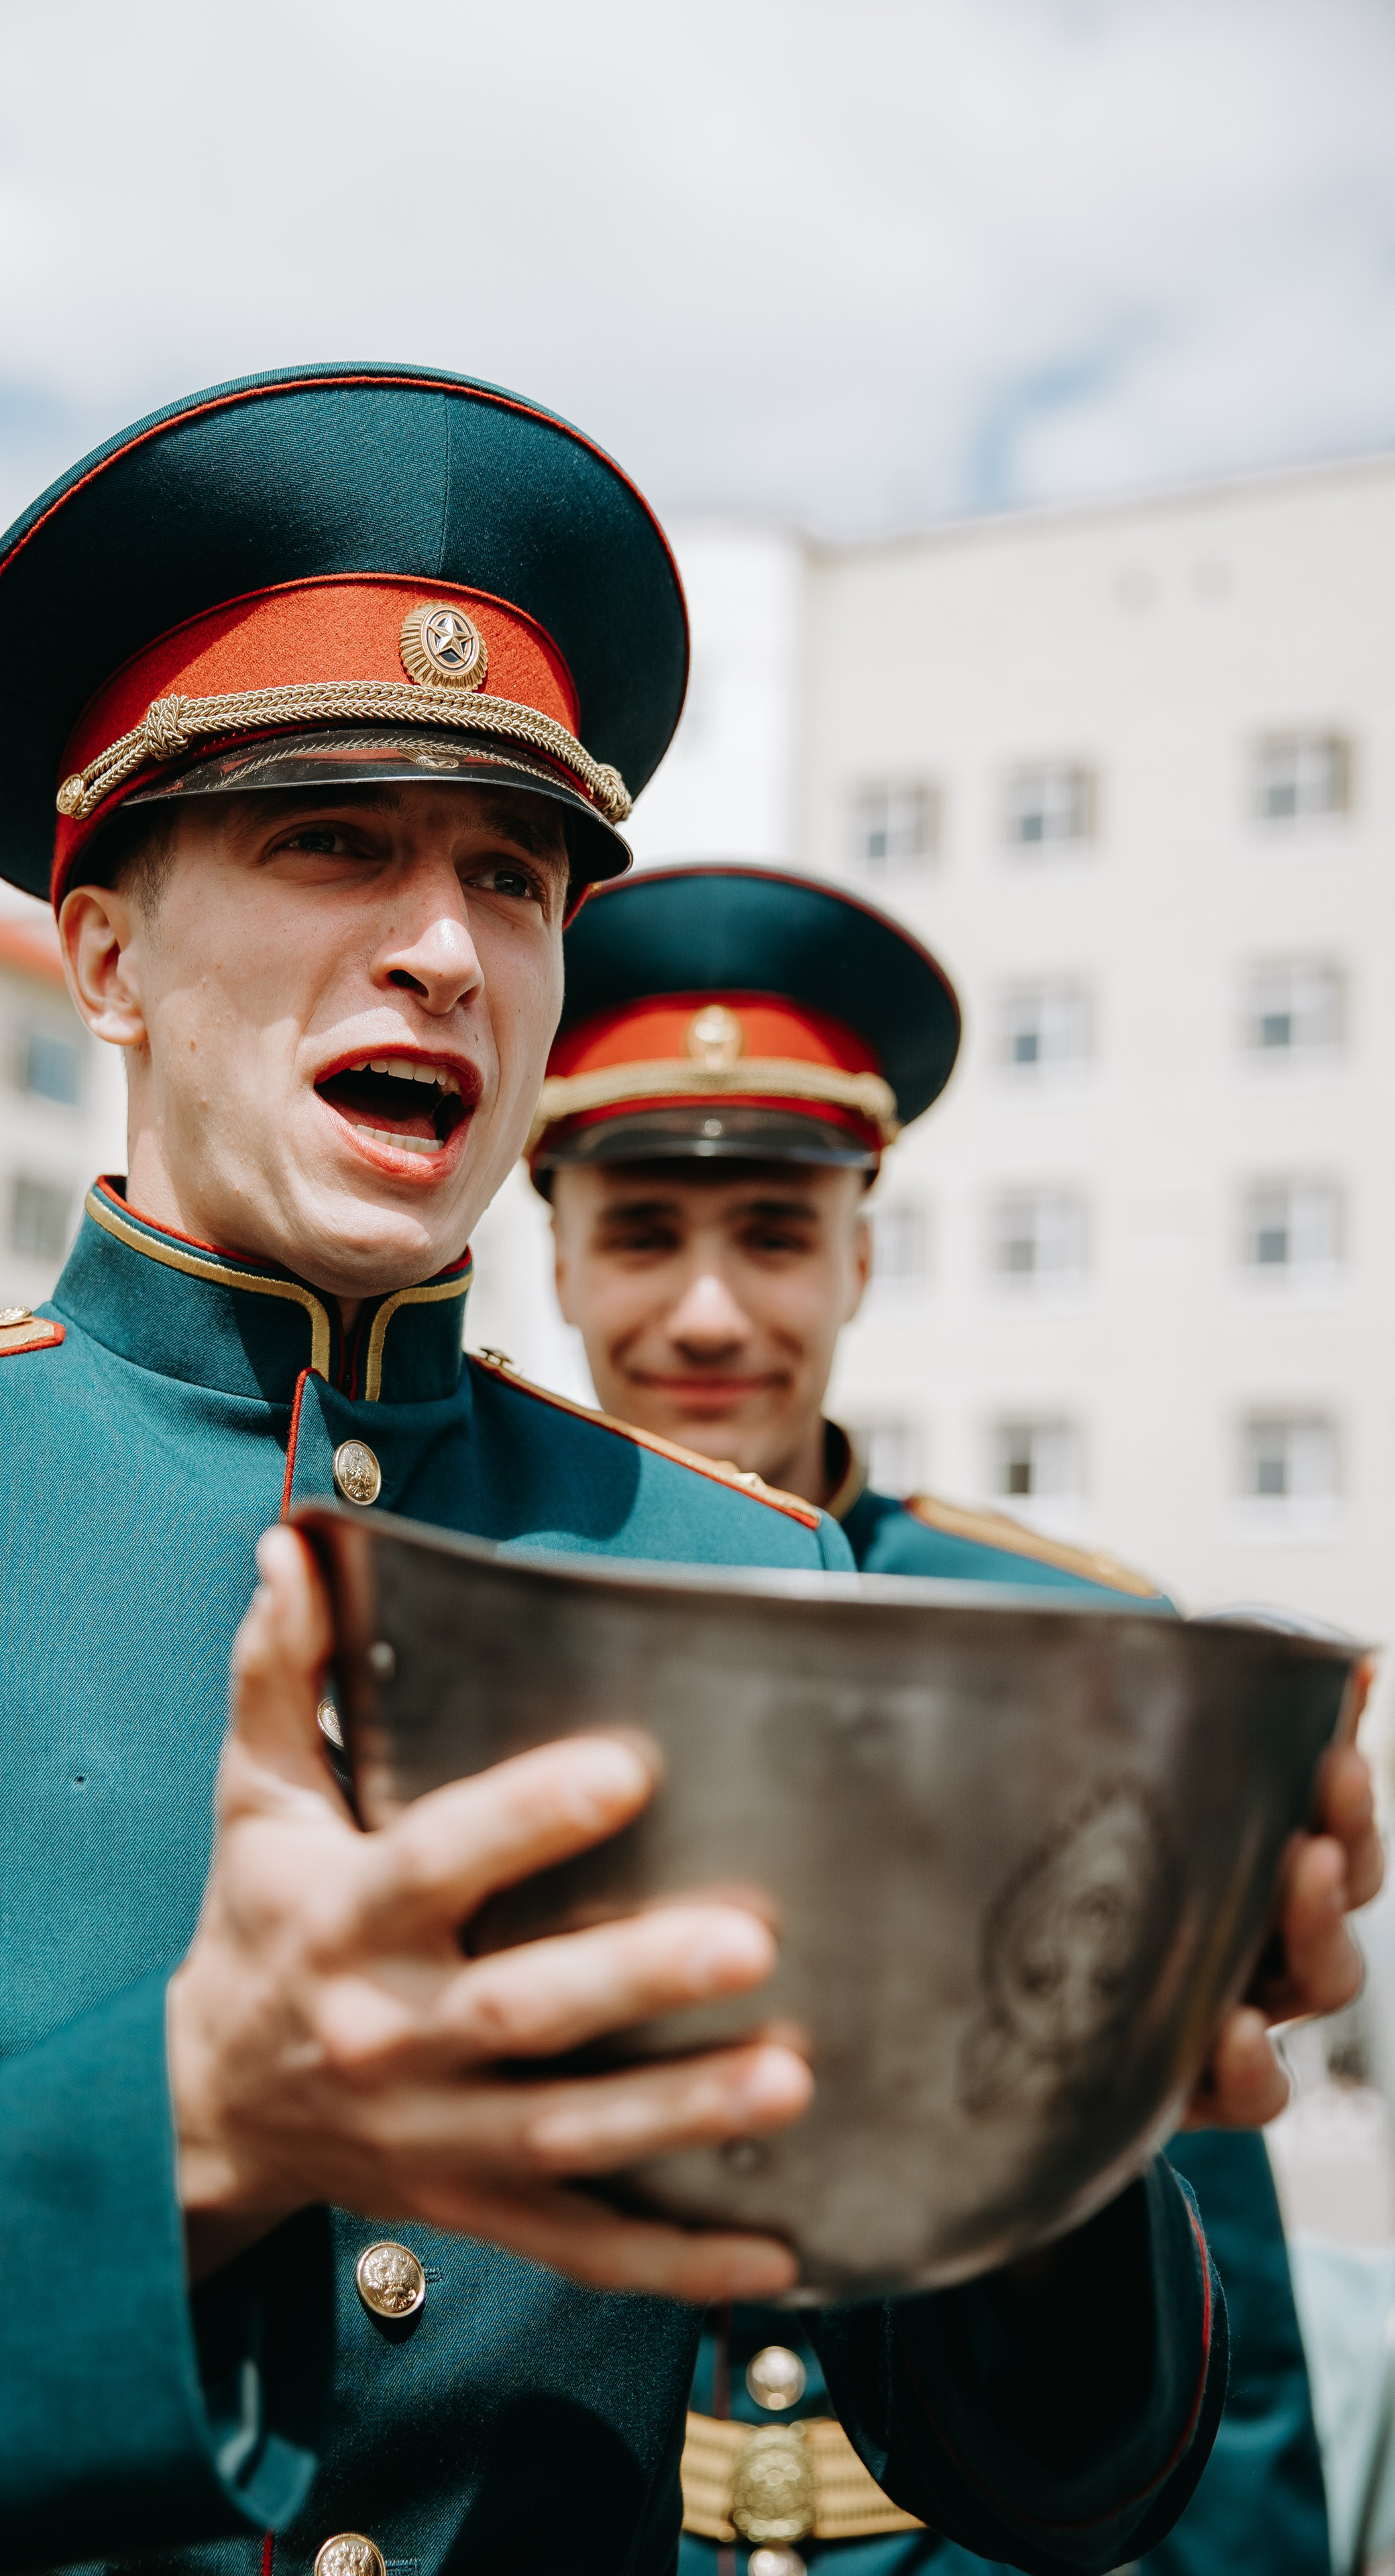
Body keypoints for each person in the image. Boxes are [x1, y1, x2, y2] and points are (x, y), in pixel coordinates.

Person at [0, 363, 1335, 2576]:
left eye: (516, 874)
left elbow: (1070, 2473)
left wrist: (1050, 2108)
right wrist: (187, 2124)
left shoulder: (749, 1580)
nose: (449, 947)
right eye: (333, 841)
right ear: (103, 952)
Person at [531, 860, 1381, 2576]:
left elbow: (1213, 2282)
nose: (708, 1311)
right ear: (551, 1250)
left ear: (859, 1252)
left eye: (774, 1231)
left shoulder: (1075, 1643)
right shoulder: (470, 1623)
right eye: (640, 1230)